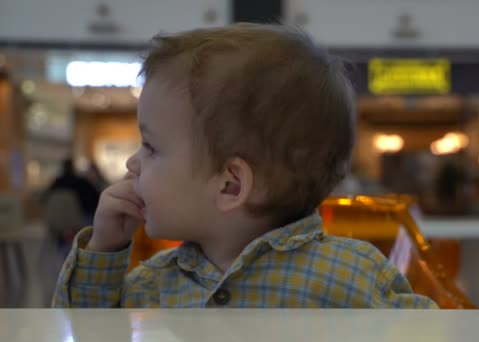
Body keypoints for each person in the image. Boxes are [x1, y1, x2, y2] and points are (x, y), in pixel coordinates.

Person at [52, 24, 436, 309]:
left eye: (151, 147)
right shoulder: (155, 282)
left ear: (230, 185)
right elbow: (84, 332)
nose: (132, 163)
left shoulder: (351, 276)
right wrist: (104, 250)